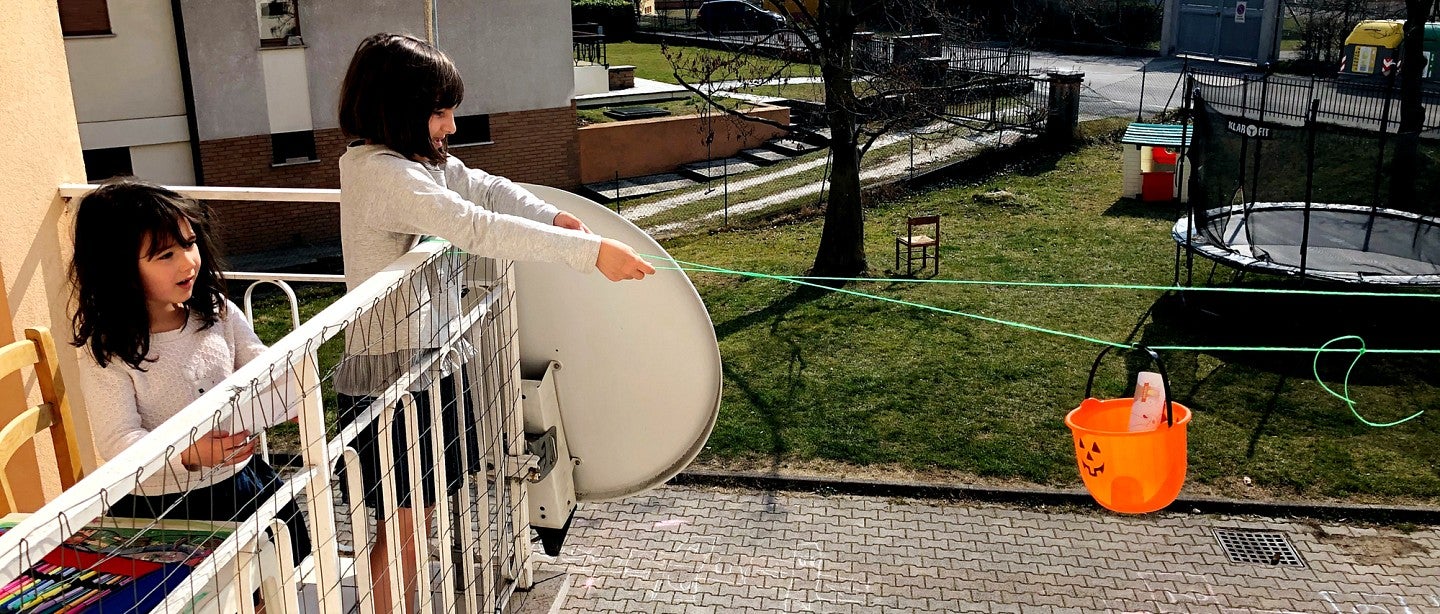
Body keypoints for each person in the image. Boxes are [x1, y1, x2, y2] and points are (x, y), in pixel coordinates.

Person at [334, 32, 655, 613]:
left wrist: (556, 216)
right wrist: (589, 253)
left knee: (420, 515)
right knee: (402, 526)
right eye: (439, 112)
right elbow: (475, 226)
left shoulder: (414, 162)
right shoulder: (383, 175)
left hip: (428, 366)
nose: (451, 126)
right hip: (393, 381)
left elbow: (484, 189)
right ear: (396, 109)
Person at [70, 178, 312, 565]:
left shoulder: (217, 312)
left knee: (273, 573)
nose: (187, 262)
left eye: (188, 243)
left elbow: (261, 364)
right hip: (163, 509)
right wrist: (189, 453)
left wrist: (287, 391)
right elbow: (119, 440)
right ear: (117, 268)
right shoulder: (108, 351)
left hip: (239, 482)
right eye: (165, 255)